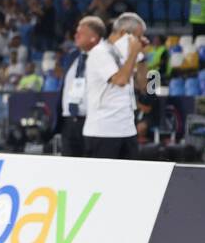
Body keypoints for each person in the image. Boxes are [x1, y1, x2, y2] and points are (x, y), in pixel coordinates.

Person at [82, 11, 146, 159]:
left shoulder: (128, 54)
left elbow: (145, 86)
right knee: (102, 181)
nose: (140, 40)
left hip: (128, 130)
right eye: (138, 36)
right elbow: (121, 80)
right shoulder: (100, 52)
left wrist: (142, 56)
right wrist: (133, 54)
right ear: (124, 33)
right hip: (103, 131)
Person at [59, 15, 105, 156]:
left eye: (81, 33)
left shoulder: (106, 57)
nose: (76, 35)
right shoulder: (73, 56)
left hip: (92, 121)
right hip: (69, 121)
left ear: (94, 37)